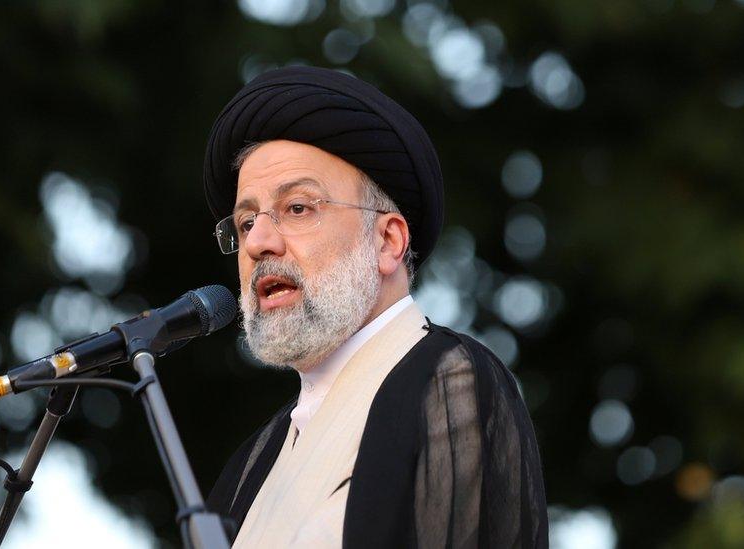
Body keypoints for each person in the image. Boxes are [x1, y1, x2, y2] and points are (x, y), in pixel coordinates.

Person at [201, 66, 547, 548]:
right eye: (243, 223)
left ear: (387, 241)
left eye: (297, 208)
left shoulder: (448, 381)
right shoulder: (252, 462)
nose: (257, 242)